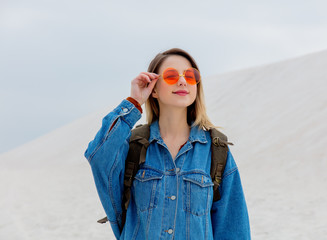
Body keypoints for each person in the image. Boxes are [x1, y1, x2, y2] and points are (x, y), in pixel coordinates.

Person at [84, 48, 251, 239]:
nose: (182, 81)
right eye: (171, 75)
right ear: (153, 88)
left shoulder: (215, 151)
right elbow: (98, 156)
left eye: (190, 76)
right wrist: (134, 102)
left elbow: (233, 229)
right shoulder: (132, 146)